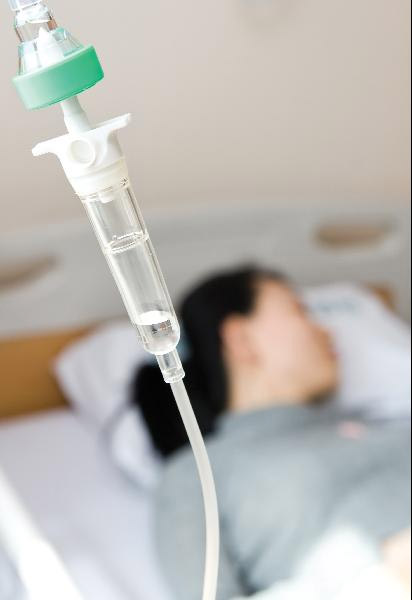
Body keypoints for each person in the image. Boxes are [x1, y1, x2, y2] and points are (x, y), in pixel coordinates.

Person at [132, 267, 411, 600]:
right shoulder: (197, 473)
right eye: (301, 311)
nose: (327, 331)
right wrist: (375, 574)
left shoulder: (381, 425)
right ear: (240, 338)